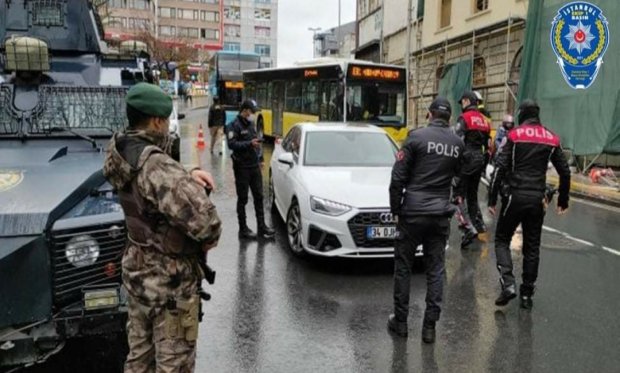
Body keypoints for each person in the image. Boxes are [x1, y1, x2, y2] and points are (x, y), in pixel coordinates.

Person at [103, 83, 222, 372]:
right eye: (166, 120)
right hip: (169, 286)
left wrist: (187, 172)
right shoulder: (157, 168)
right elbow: (208, 225)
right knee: (174, 365)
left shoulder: (119, 149)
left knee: (139, 360)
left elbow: (150, 182)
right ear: (156, 121)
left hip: (137, 275)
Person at [388, 97, 464, 343]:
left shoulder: (415, 137)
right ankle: (429, 327)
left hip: (411, 213)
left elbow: (397, 177)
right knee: (435, 270)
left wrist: (395, 209)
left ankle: (400, 323)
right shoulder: (457, 143)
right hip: (440, 214)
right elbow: (461, 176)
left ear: (429, 115)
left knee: (403, 268)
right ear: (449, 118)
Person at [488, 99, 571, 309]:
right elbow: (565, 171)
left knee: (501, 240)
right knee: (532, 246)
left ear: (522, 114)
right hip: (537, 199)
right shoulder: (551, 138)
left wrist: (492, 199)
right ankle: (527, 294)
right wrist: (563, 200)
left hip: (514, 197)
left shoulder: (513, 135)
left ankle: (508, 282)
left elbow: (498, 169)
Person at [227, 99, 275, 240]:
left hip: (254, 166)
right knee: (243, 199)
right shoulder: (233, 125)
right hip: (242, 167)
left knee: (259, 196)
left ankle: (262, 227)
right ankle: (243, 229)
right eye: (252, 111)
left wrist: (260, 159)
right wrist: (249, 144)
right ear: (245, 110)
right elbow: (231, 145)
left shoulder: (252, 124)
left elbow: (256, 142)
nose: (253, 114)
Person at [455, 90, 491, 247]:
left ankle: (467, 227)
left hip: (466, 159)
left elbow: (457, 140)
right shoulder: (484, 121)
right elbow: (489, 146)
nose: (462, 105)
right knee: (472, 196)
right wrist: (483, 164)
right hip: (479, 160)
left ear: (467, 101)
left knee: (457, 197)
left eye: (462, 102)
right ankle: (478, 226)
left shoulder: (464, 118)